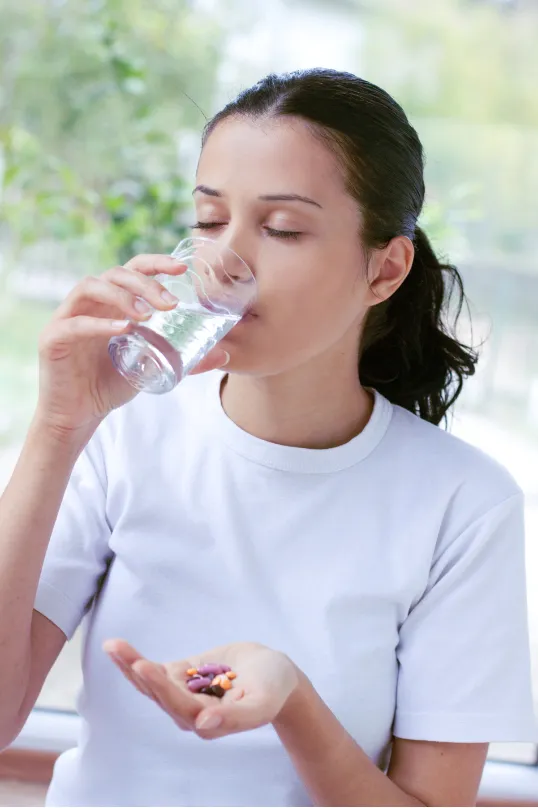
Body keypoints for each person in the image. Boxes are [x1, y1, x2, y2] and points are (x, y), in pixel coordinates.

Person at [0, 68, 535, 807]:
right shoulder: (122, 434)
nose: (227, 262)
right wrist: (59, 427)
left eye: (282, 228)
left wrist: (293, 705)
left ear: (385, 269)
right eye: (211, 221)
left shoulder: (464, 506)